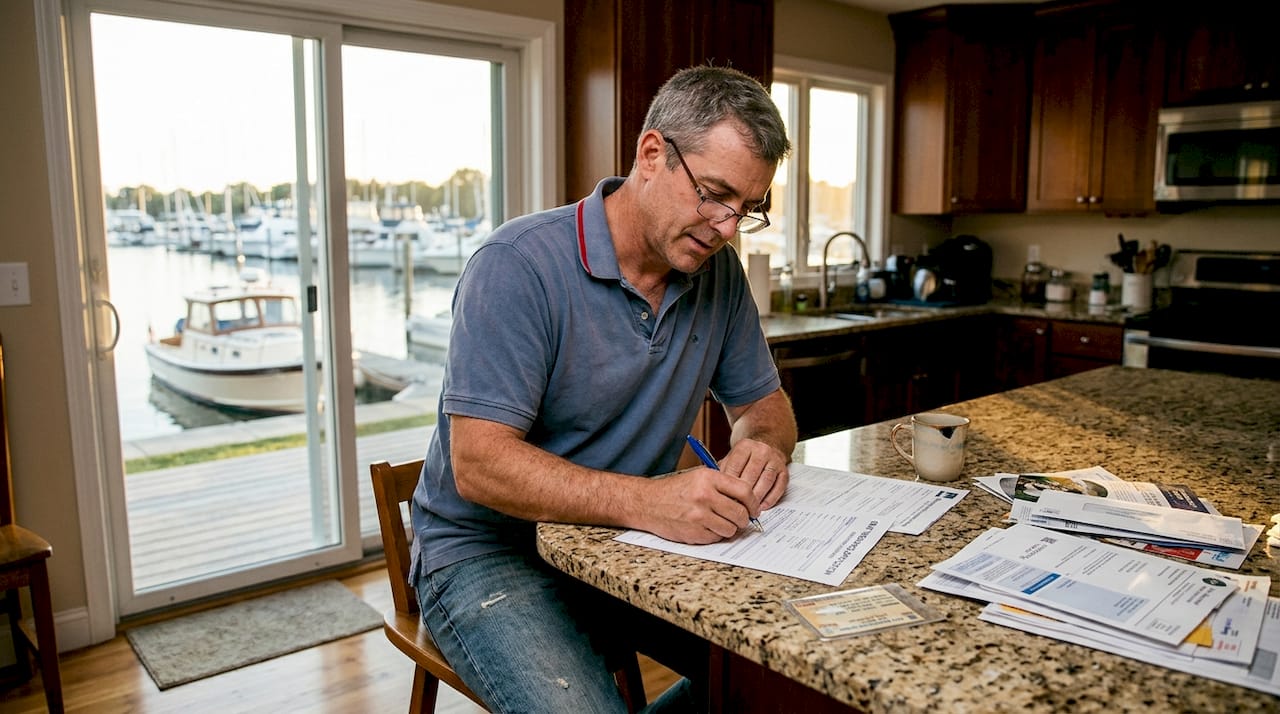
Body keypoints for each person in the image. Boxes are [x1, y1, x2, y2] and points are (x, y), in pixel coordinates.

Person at [408, 64, 798, 713]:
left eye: (746, 209)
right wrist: (650, 502)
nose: (727, 227)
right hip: (486, 554)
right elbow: (478, 465)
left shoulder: (717, 272)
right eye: (714, 194)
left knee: (782, 685)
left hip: (619, 544)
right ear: (652, 154)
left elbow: (764, 405)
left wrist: (764, 444)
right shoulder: (517, 266)